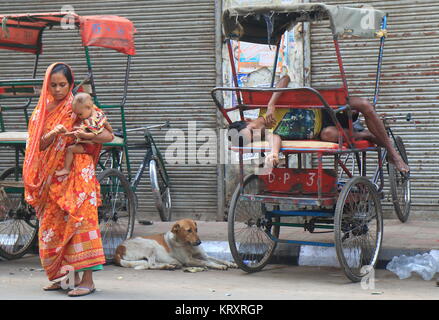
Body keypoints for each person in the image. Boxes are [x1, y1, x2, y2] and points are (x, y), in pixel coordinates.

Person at [23, 62, 113, 297]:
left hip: (78, 175)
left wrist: (85, 135)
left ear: (71, 84)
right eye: (53, 85)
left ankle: (88, 280)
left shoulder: (80, 104)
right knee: (56, 226)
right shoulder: (40, 112)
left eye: (63, 84)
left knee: (80, 222)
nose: (58, 89)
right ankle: (66, 278)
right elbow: (35, 146)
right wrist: (53, 134)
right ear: (46, 85)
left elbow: (108, 134)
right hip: (52, 178)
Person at [263, 75, 410, 174]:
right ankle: (365, 134)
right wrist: (274, 154)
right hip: (323, 129)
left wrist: (271, 104)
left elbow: (285, 78)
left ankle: (393, 154)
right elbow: (274, 139)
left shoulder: (261, 110)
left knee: (363, 104)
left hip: (324, 107)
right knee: (328, 134)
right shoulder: (267, 134)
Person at [55, 92, 113, 177]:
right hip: (88, 144)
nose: (79, 116)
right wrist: (111, 131)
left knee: (70, 149)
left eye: (80, 114)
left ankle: (66, 169)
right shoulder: (99, 115)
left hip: (89, 146)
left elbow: (93, 135)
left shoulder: (91, 121)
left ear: (89, 108)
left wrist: (83, 135)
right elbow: (106, 123)